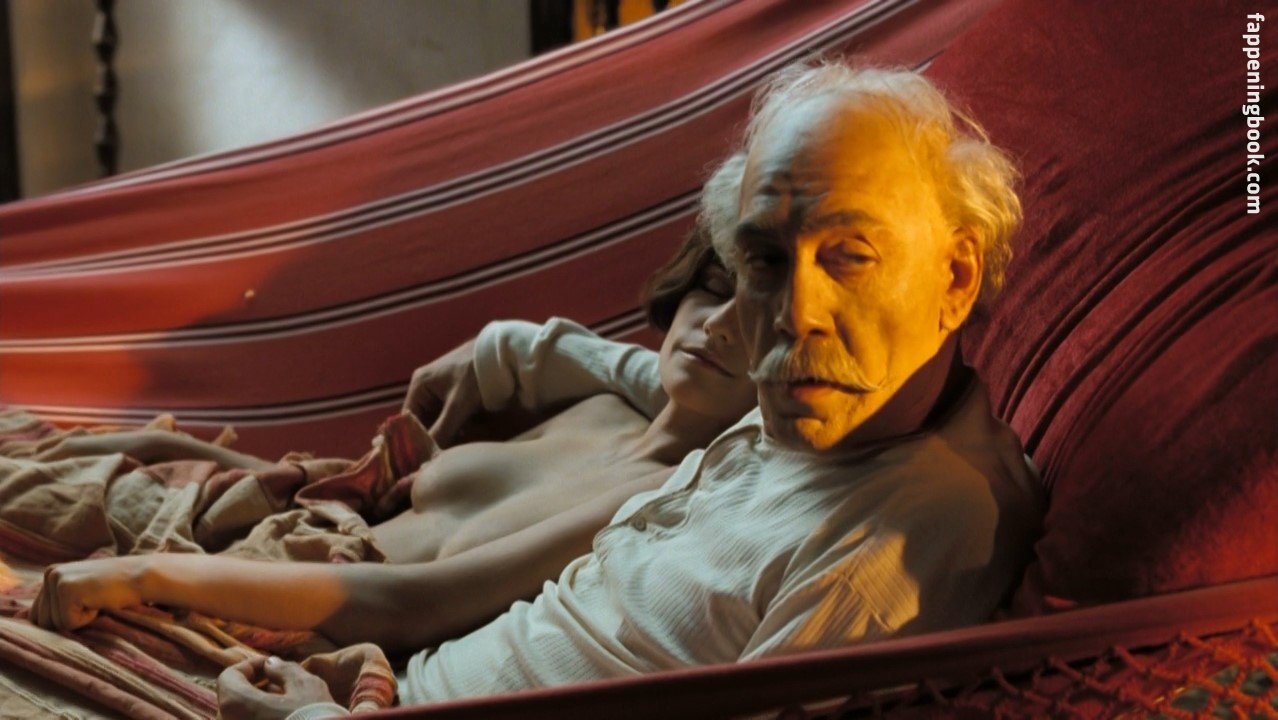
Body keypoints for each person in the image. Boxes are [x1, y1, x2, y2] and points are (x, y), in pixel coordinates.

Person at [57, 60, 1046, 719]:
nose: (794, 315)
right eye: (762, 261)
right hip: (365, 677)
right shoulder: (803, 410)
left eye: (851, 255)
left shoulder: (917, 527)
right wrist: (528, 349)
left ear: (957, 276)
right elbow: (660, 375)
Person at [28, 197, 757, 639]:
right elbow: (363, 496)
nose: (718, 326)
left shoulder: (663, 500)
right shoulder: (595, 404)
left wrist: (153, 574)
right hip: (236, 532)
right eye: (713, 288)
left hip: (271, 611)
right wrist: (163, 445)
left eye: (756, 321)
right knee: (27, 460)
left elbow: (410, 609)